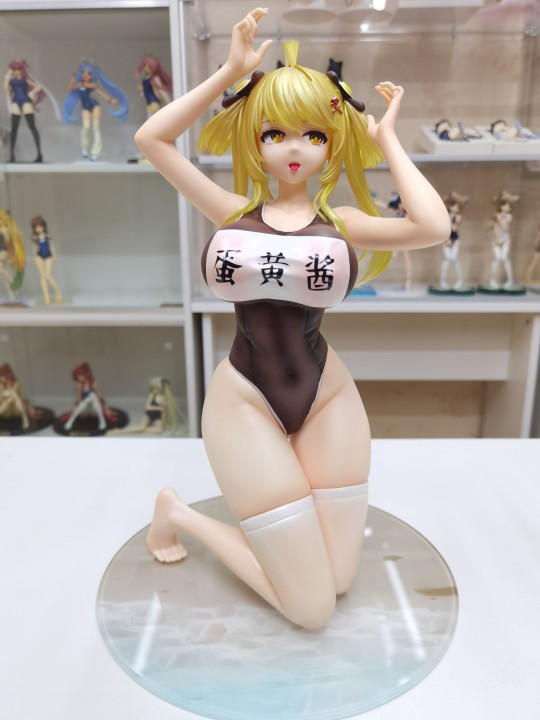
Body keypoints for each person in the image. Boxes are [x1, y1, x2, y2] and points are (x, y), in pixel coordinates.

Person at [135, 7, 450, 630]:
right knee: (311, 608)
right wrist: (228, 71)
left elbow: (433, 226)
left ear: (333, 142)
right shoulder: (232, 212)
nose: (295, 148)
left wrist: (387, 139)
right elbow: (152, 140)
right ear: (255, 141)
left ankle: (261, 533)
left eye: (313, 135)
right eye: (275, 133)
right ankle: (178, 513)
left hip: (328, 395)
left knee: (338, 581)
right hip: (245, 399)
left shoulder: (342, 224)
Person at [62, 61, 128, 161]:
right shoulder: (79, 85)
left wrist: (110, 100)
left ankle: (95, 153)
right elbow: (70, 87)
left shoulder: (92, 85)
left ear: (92, 75)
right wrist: (72, 79)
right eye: (83, 72)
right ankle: (84, 149)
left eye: (88, 73)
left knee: (96, 128)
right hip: (85, 107)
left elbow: (100, 93)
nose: (85, 75)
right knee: (86, 127)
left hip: (95, 106)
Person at [107, 377, 183, 435]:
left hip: (157, 416)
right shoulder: (152, 394)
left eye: (155, 388)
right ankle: (119, 431)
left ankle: (140, 429)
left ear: (160, 388)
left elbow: (163, 412)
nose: (153, 389)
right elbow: (147, 407)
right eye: (153, 388)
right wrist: (159, 408)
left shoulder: (164, 399)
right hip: (149, 414)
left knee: (159, 430)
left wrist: (163, 420)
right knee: (141, 426)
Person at [30, 215, 63, 305]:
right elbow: (34, 248)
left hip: (48, 256)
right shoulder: (34, 237)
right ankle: (46, 297)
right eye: (36, 227)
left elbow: (52, 246)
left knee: (48, 275)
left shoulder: (48, 235)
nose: (39, 229)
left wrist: (54, 256)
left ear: (44, 226)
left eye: (40, 226)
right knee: (42, 276)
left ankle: (58, 292)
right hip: (39, 256)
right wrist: (35, 256)